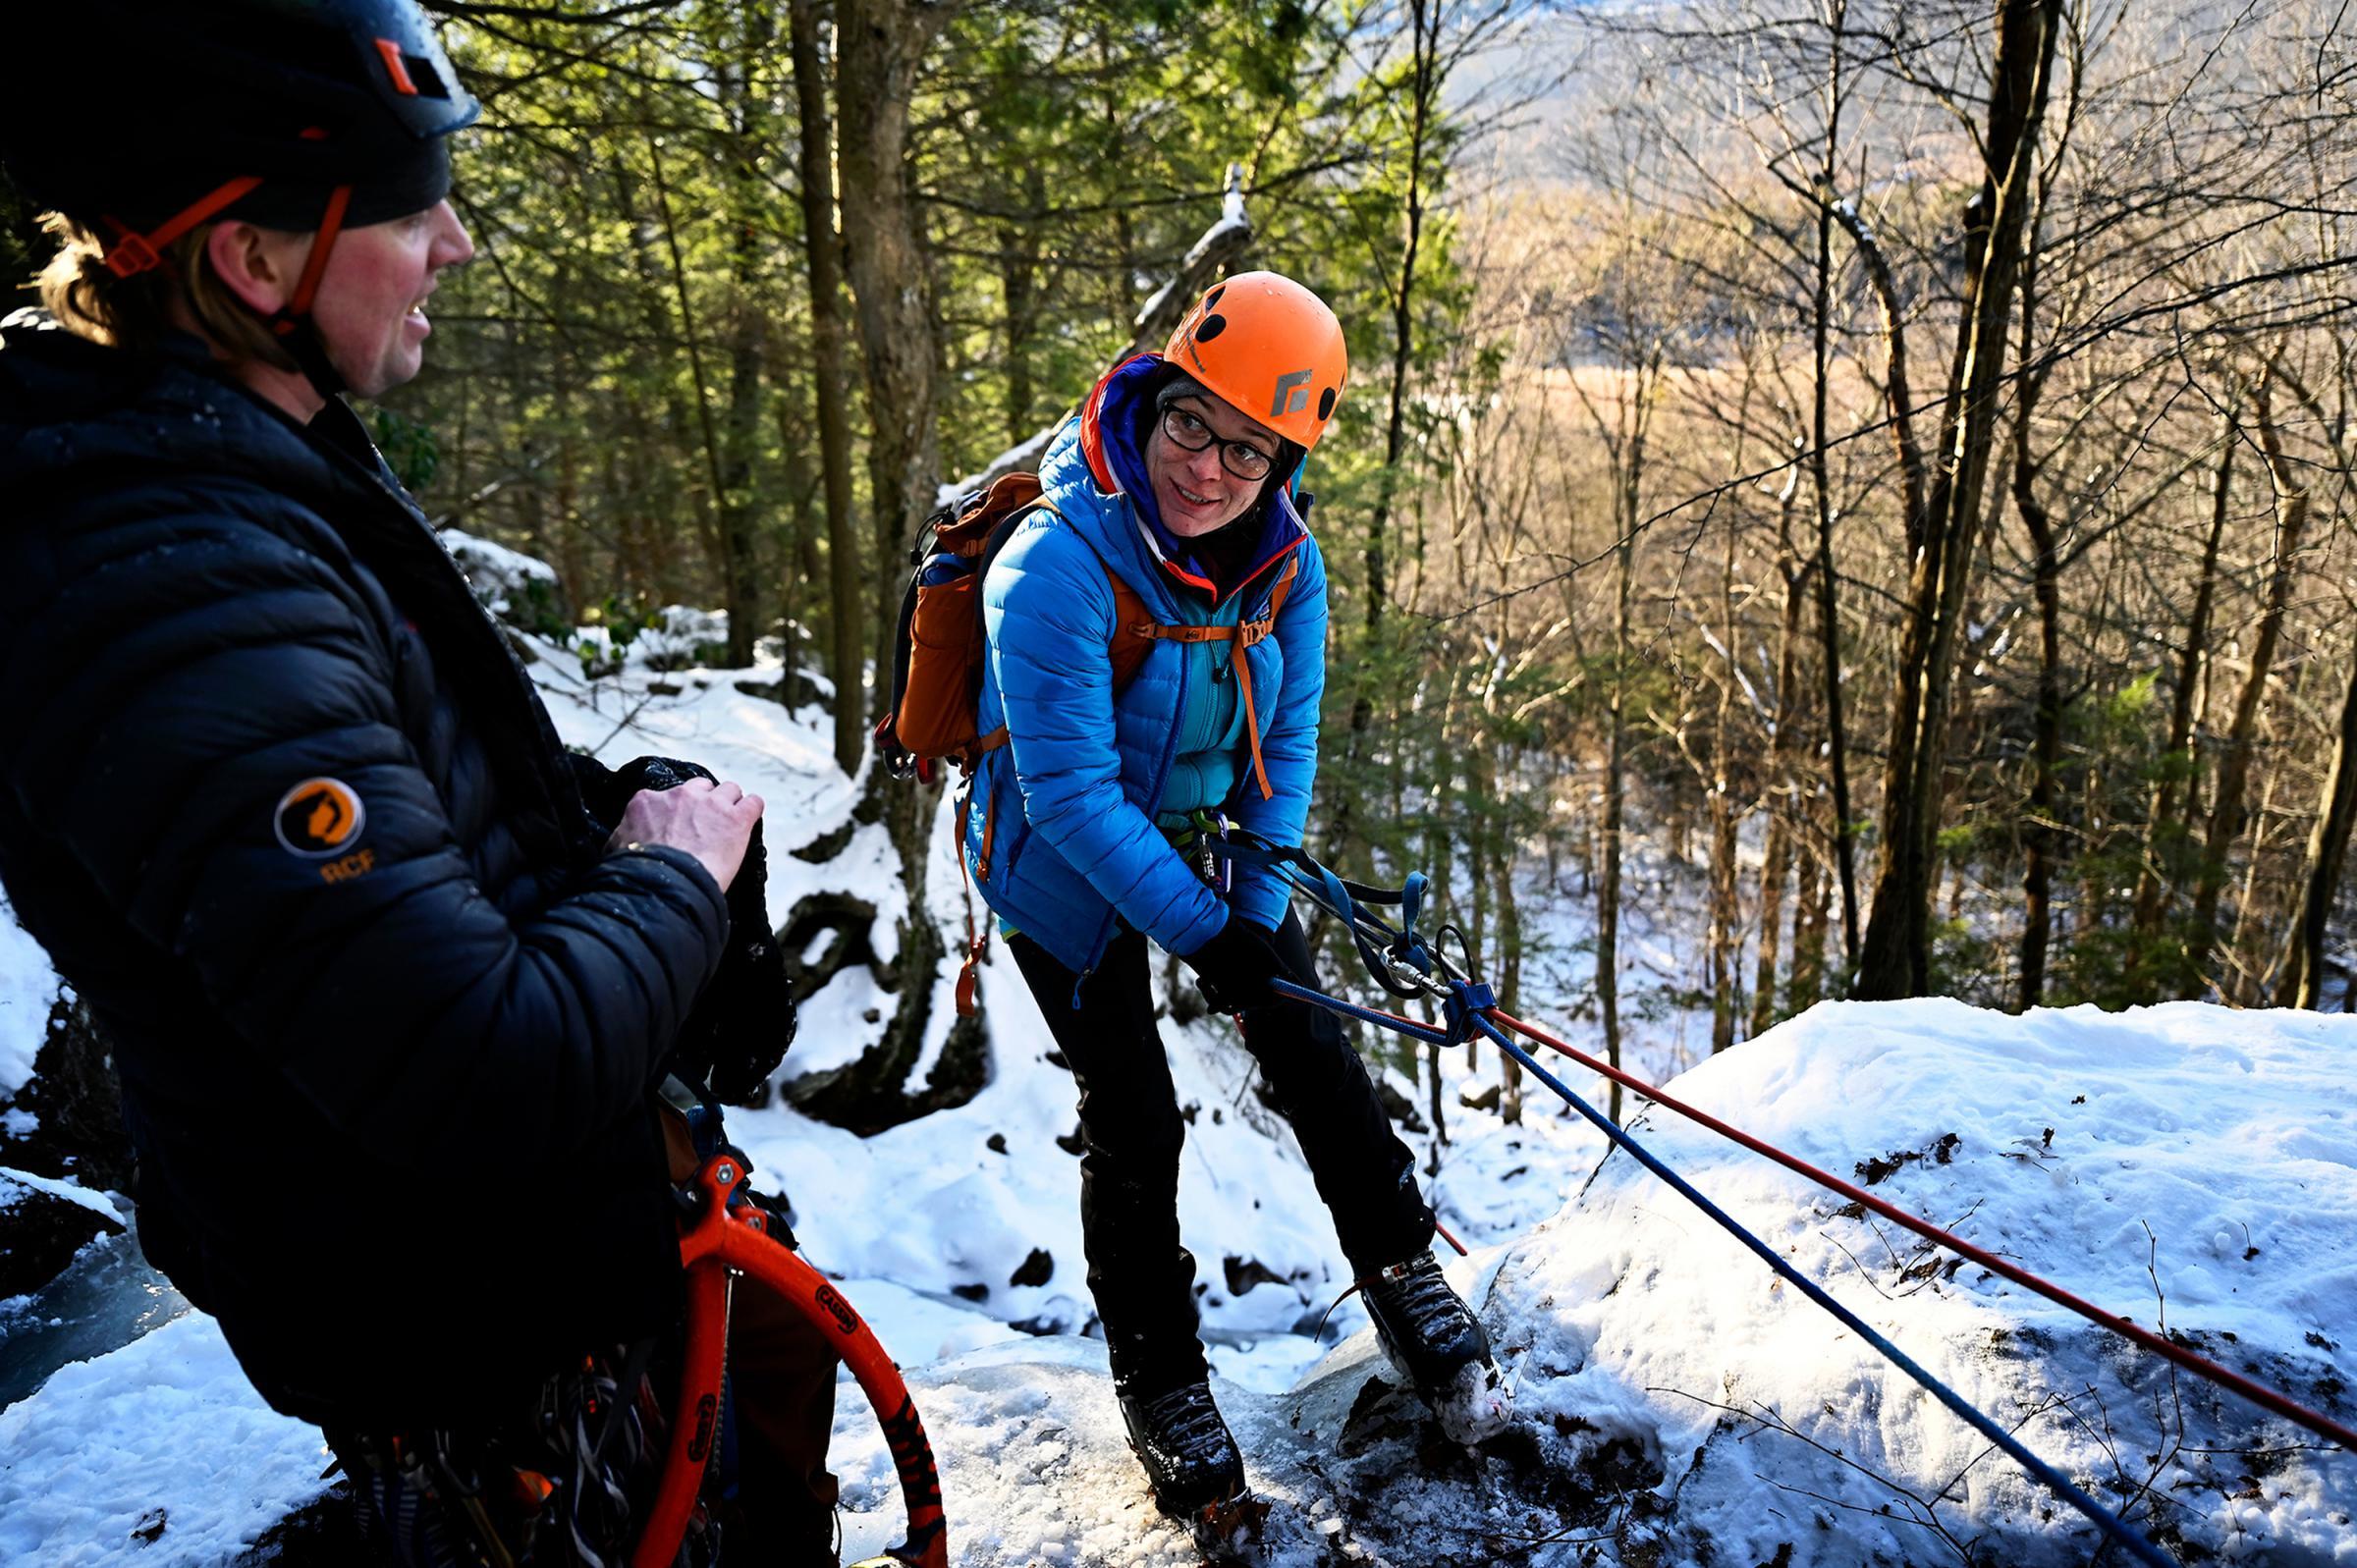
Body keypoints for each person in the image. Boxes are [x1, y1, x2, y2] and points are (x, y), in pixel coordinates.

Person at [0, 2, 834, 1560]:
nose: (454, 242)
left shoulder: (226, 455)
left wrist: (595, 810)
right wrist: (667, 871)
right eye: (408, 208)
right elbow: (476, 1069)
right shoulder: (154, 586)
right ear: (253, 264)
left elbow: (390, 772)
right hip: (465, 1320)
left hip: (477, 1270)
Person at [968, 272, 1509, 1516]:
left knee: (1310, 1043)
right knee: (1135, 1109)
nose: (1207, 471)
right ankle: (1162, 1380)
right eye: (1191, 428)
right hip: (1060, 863)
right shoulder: (1053, 563)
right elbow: (1069, 796)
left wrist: (1255, 915)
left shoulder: (1289, 567)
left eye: (1248, 452)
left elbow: (1294, 737)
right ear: (1154, 401)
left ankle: (1402, 1269)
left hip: (1210, 843)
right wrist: (1216, 937)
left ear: (1283, 465)